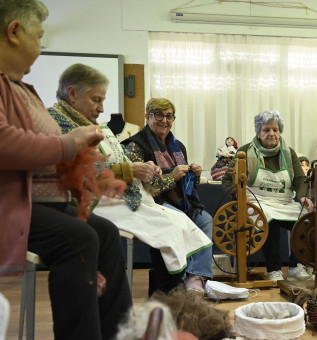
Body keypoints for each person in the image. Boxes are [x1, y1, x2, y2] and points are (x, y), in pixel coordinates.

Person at [0, 0, 132, 340]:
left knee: (104, 234)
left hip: (22, 202)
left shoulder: (7, 82)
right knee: (78, 239)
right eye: (39, 38)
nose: (40, 48)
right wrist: (68, 144)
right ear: (13, 32)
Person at [48, 64, 213, 294]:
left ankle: (194, 280)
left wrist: (186, 175)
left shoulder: (94, 126)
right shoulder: (132, 141)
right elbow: (92, 168)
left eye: (169, 116)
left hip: (141, 196)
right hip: (106, 199)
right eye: (96, 100)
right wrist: (141, 171)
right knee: (170, 225)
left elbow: (115, 162)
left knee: (195, 220)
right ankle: (173, 293)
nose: (100, 108)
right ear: (73, 94)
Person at [122, 98, 214, 292]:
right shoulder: (135, 146)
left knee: (205, 220)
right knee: (178, 220)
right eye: (158, 115)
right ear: (147, 117)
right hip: (150, 203)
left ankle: (196, 277)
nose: (164, 120)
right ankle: (174, 280)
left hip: (179, 202)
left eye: (169, 116)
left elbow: (188, 188)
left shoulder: (178, 145)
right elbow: (146, 188)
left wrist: (194, 175)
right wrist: (172, 176)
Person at [221, 110, 313, 283]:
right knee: (269, 220)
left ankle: (295, 266)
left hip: (284, 202)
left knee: (305, 220)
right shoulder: (244, 152)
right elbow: (226, 181)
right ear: (258, 132)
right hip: (257, 202)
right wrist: (239, 195)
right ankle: (274, 269)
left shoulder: (289, 153)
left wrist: (302, 197)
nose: (272, 133)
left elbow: (300, 179)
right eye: (266, 129)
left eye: (275, 129)